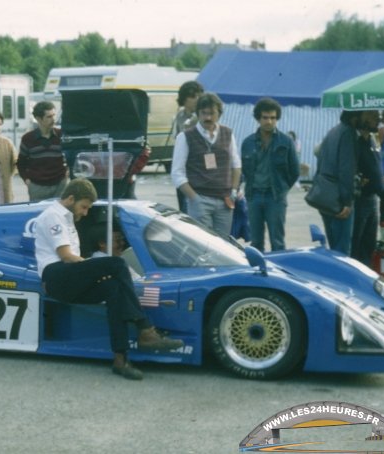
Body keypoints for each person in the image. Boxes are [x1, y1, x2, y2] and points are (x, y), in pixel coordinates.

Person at [33, 178, 182, 381]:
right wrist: (93, 268)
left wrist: (93, 270)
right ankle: (145, 329)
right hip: (55, 276)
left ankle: (120, 359)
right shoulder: (53, 216)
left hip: (67, 277)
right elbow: (67, 256)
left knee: (113, 288)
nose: (85, 213)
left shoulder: (66, 218)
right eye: (84, 207)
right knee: (116, 264)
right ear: (70, 199)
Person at [171, 92, 242, 237]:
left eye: (212, 113)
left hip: (225, 200)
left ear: (219, 114)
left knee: (224, 246)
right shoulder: (185, 137)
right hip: (200, 200)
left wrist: (234, 191)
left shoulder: (228, 133)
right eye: (203, 113)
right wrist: (194, 198)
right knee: (203, 245)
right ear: (198, 113)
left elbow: (236, 165)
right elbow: (177, 173)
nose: (207, 118)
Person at [240, 98, 300, 252]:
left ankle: (278, 273)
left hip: (275, 197)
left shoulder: (285, 142)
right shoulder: (248, 143)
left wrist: (282, 189)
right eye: (265, 117)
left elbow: (294, 171)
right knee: (256, 242)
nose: (269, 121)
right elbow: (244, 170)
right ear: (258, 118)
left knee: (277, 242)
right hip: (254, 196)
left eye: (273, 118)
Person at [314, 110, 365, 255]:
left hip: (326, 198)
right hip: (339, 202)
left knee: (334, 247)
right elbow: (346, 170)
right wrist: (347, 202)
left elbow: (320, 157)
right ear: (356, 117)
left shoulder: (333, 131)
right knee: (342, 251)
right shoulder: (348, 134)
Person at [17, 101, 68, 202]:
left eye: (53, 115)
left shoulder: (61, 136)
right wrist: (27, 181)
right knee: (38, 215)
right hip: (37, 187)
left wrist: (67, 172)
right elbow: (21, 163)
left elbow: (70, 156)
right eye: (49, 117)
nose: (53, 119)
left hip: (60, 185)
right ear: (38, 119)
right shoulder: (28, 139)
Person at [350, 110, 382, 265]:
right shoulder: (353, 140)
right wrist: (357, 180)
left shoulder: (372, 139)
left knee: (369, 243)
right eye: (374, 116)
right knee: (357, 242)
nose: (379, 119)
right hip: (360, 200)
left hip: (373, 200)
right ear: (363, 117)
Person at [172, 81, 204, 212]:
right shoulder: (179, 116)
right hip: (183, 164)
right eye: (193, 96)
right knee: (183, 206)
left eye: (198, 96)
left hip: (198, 166)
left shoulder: (202, 116)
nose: (196, 99)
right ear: (184, 98)